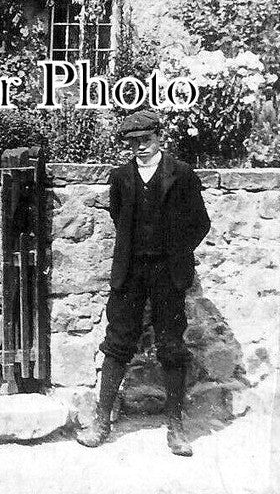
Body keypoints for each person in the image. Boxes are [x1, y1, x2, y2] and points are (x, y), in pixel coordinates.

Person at [76, 109, 211, 456]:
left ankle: (176, 427)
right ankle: (102, 421)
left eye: (145, 140)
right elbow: (119, 216)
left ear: (159, 137)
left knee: (171, 345)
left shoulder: (181, 174)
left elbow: (200, 222)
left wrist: (177, 251)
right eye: (132, 142)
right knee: (118, 341)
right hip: (131, 270)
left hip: (169, 272)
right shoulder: (121, 177)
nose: (139, 147)